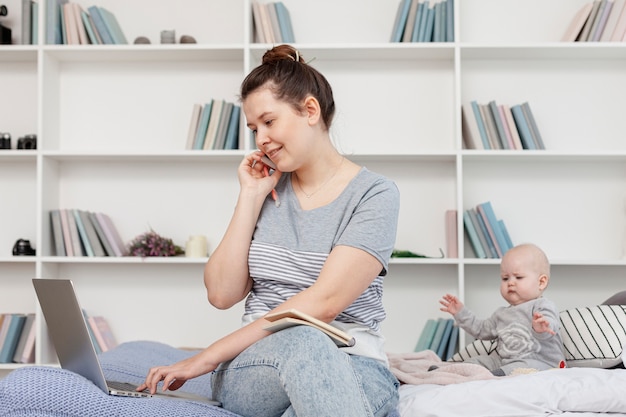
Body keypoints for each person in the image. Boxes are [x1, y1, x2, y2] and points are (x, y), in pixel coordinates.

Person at [138, 44, 401, 417]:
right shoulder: (266, 188)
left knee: (312, 370)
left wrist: (206, 356)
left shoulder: (375, 194)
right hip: (256, 367)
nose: (260, 139)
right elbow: (221, 293)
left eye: (269, 121)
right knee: (303, 341)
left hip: (356, 361)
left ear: (310, 110)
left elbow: (324, 304)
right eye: (253, 128)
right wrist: (249, 196)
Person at [438, 243, 564, 376]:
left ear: (541, 282)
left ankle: (495, 376)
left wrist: (543, 326)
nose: (510, 282)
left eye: (519, 277)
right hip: (506, 362)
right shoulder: (501, 314)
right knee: (480, 361)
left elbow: (552, 326)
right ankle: (447, 371)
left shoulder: (542, 305)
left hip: (542, 363)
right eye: (505, 278)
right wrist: (460, 312)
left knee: (520, 366)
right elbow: (480, 329)